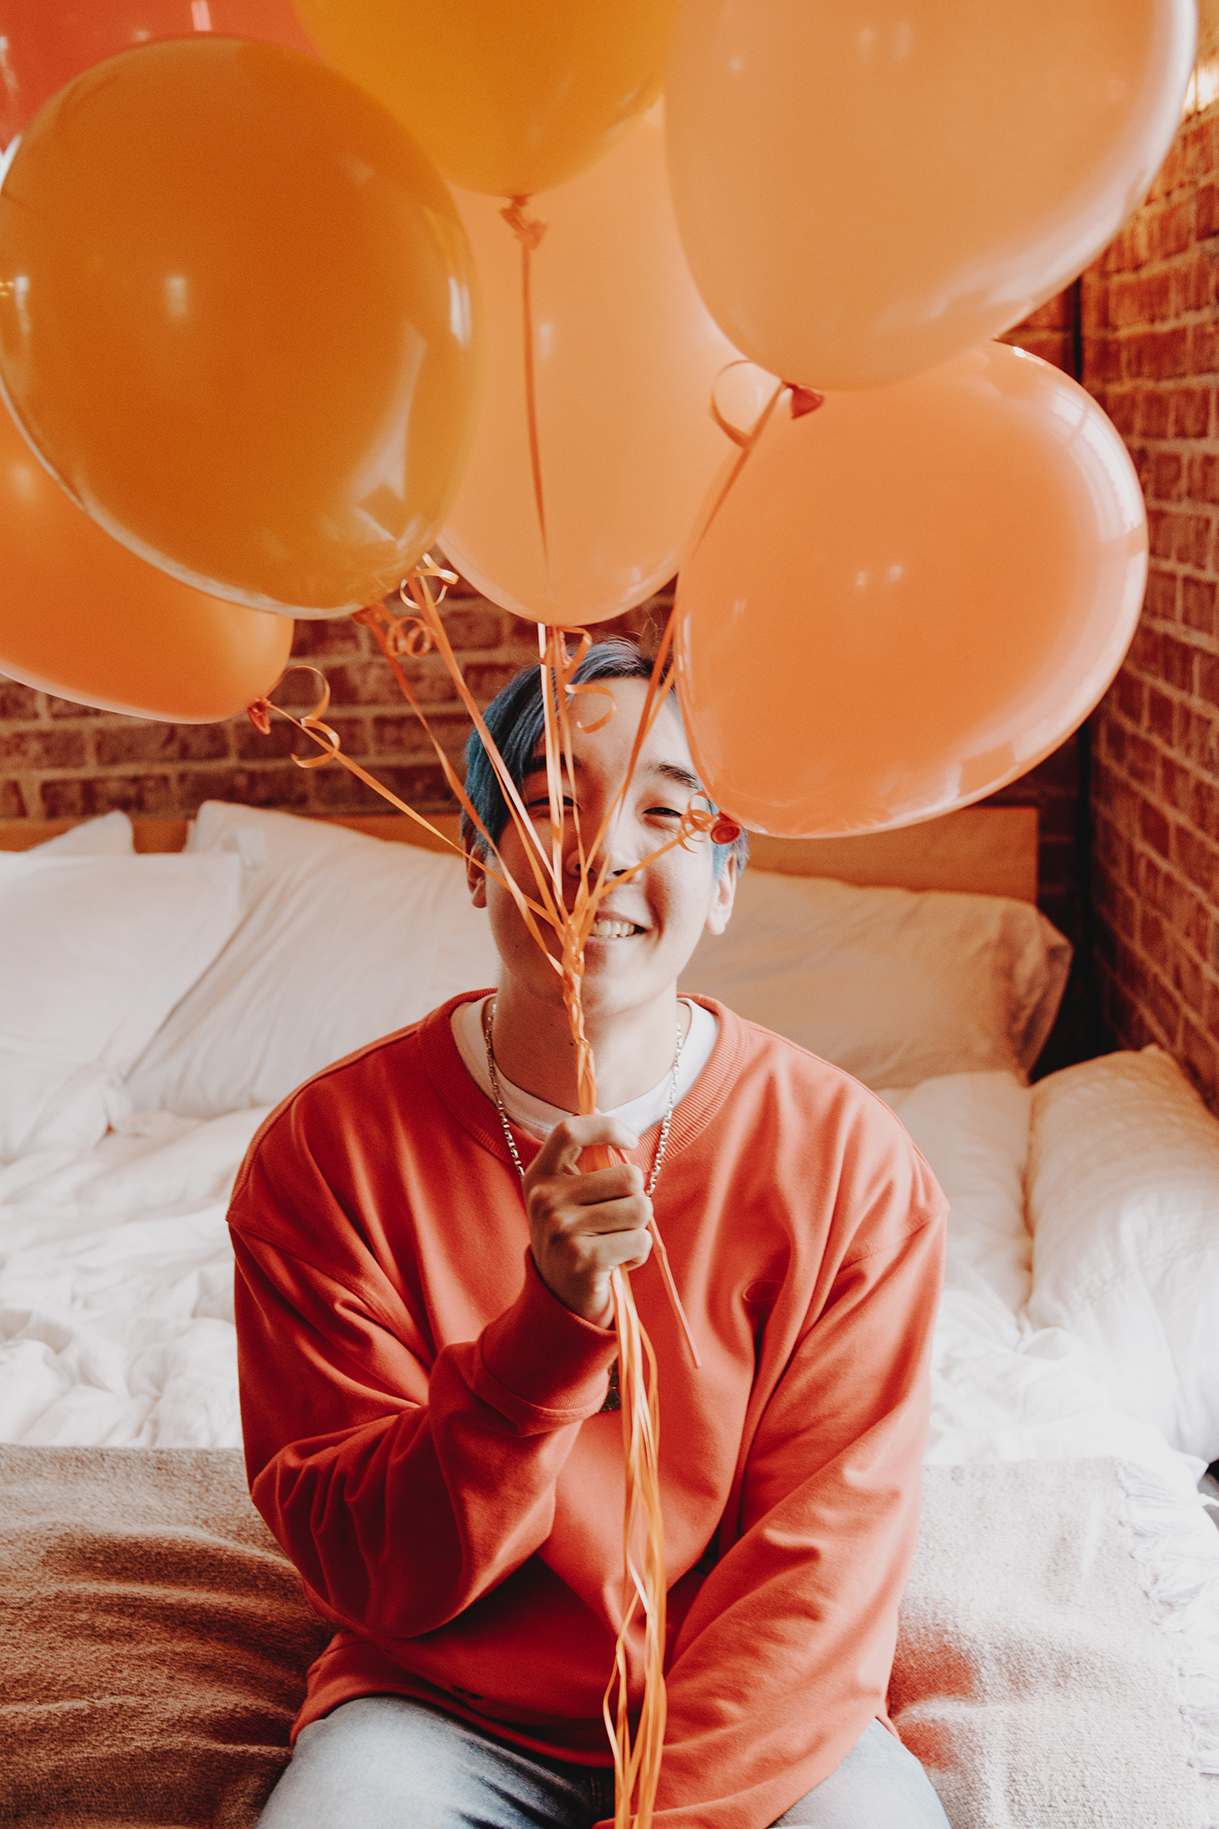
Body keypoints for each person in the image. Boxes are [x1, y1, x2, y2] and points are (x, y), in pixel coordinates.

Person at [231, 640, 951, 1829]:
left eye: (667, 810)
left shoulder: (851, 1162)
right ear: (476, 857)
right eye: (554, 799)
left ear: (724, 883)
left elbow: (815, 1565)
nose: (606, 850)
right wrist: (544, 1341)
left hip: (761, 1717)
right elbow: (364, 1565)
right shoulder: (325, 1154)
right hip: (436, 1709)